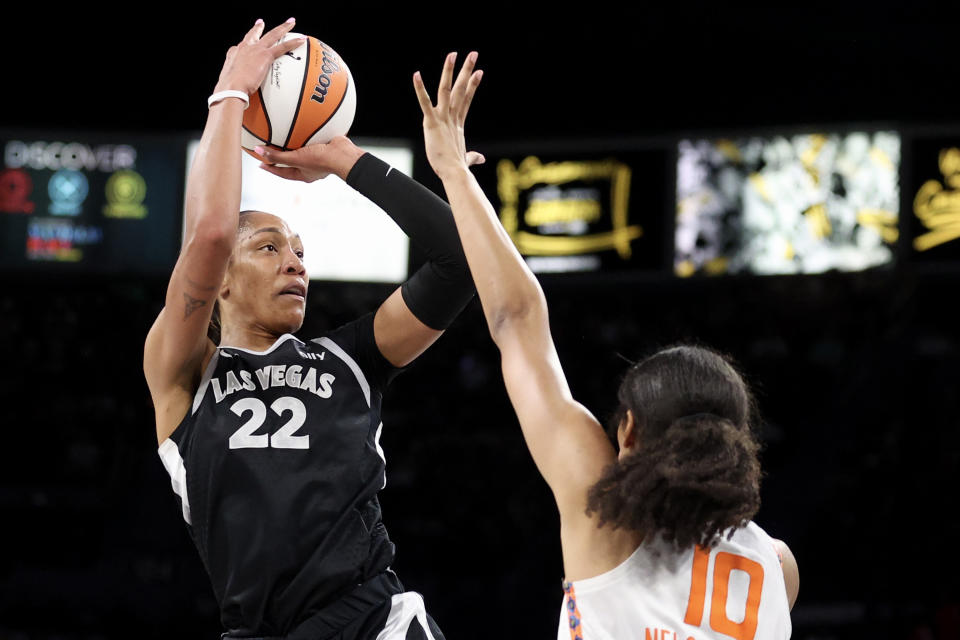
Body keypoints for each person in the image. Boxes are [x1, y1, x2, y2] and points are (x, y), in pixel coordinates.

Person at [411, 52, 800, 639]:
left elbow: (517, 318)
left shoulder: (603, 517)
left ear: (628, 434)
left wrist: (454, 173)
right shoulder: (778, 566)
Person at [144, 19, 475, 640]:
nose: (296, 261)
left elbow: (459, 261)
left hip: (374, 619)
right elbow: (210, 235)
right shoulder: (184, 372)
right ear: (219, 281)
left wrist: (342, 157)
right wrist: (230, 95)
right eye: (269, 247)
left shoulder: (350, 358)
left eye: (299, 250)